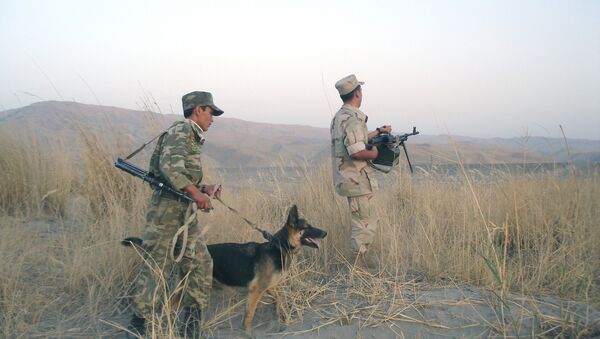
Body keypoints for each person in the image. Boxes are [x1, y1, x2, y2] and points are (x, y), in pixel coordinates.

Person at [129, 91, 224, 337]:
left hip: (184, 211)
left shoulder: (192, 136)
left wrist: (204, 189)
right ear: (198, 110)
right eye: (210, 112)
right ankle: (137, 326)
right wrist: (197, 194)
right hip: (166, 212)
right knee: (155, 266)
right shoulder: (182, 130)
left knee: (201, 263)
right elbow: (169, 169)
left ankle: (191, 325)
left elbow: (181, 176)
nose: (212, 118)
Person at [330, 74, 392, 267]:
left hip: (349, 180)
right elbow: (357, 151)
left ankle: (358, 265)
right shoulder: (355, 118)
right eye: (361, 90)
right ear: (357, 93)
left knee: (365, 221)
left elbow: (355, 138)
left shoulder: (340, 117)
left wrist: (378, 132)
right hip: (357, 181)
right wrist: (374, 153)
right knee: (364, 225)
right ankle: (356, 268)